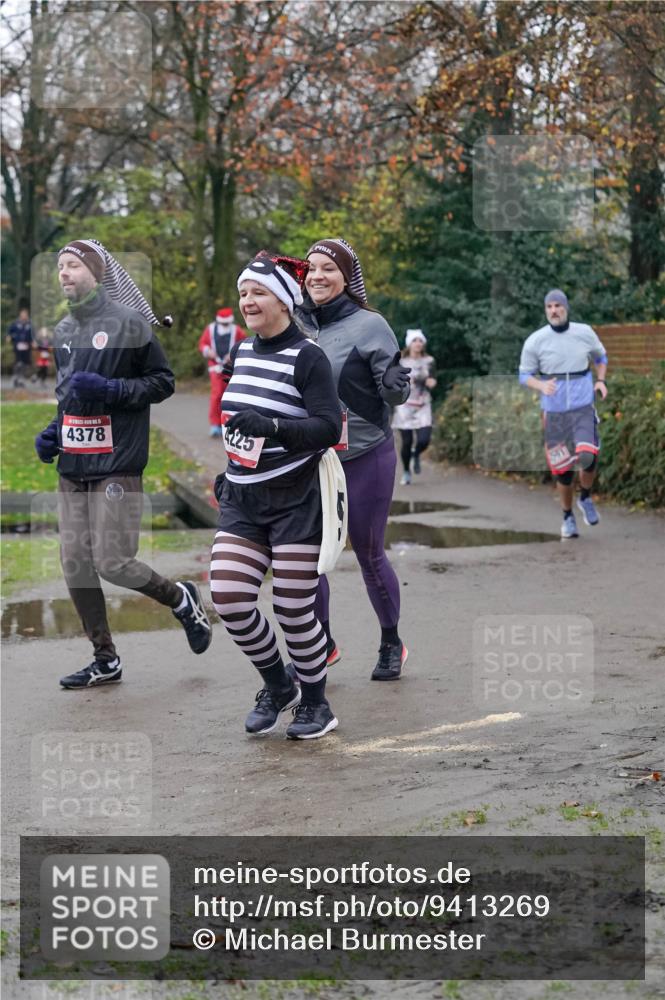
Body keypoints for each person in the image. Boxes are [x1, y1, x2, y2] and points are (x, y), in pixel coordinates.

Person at [34, 238, 212, 689]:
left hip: (118, 461)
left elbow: (162, 382)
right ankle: (105, 658)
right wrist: (56, 431)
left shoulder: (130, 323)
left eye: (73, 265)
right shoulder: (64, 330)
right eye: (60, 267)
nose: (64, 274)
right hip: (73, 465)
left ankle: (182, 599)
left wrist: (112, 392)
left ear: (95, 271)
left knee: (113, 561)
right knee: (75, 563)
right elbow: (68, 394)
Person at [210, 251, 342, 740]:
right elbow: (237, 422)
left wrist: (273, 426)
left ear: (284, 302)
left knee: (292, 608)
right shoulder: (242, 351)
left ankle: (316, 703)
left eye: (258, 292)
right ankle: (278, 683)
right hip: (242, 498)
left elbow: (328, 427)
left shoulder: (309, 356)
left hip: (295, 500)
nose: (248, 301)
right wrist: (229, 468)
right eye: (243, 293)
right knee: (228, 597)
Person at [302, 238, 411, 681]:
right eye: (310, 269)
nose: (317, 276)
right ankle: (321, 645)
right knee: (309, 557)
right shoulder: (295, 324)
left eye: (328, 268)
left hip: (366, 453)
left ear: (347, 277)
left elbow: (397, 389)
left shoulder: (371, 325)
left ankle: (391, 642)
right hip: (313, 457)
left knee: (367, 552)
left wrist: (394, 383)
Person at [519, 288, 608, 538]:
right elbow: (524, 375)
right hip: (554, 412)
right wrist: (541, 385)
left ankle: (586, 497)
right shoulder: (536, 340)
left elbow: (601, 357)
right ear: (545, 310)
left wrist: (600, 380)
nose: (554, 310)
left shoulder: (584, 332)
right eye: (549, 307)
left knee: (589, 456)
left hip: (582, 408)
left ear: (566, 308)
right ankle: (568, 516)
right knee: (563, 471)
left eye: (558, 306)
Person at [391, 329, 437, 485]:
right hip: (405, 405)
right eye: (415, 340)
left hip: (423, 403)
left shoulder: (429, 360)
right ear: (409, 344)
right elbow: (393, 381)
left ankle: (416, 454)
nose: (418, 343)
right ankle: (406, 471)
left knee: (424, 439)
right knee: (407, 442)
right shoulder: (401, 361)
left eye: (420, 340)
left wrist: (432, 382)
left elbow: (433, 379)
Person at [199, 307, 246, 437]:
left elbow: (244, 343)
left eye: (226, 323)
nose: (225, 325)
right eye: (223, 323)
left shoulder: (236, 330)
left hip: (231, 368)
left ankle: (228, 424)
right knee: (217, 394)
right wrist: (208, 351)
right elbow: (202, 344)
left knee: (230, 396)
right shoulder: (210, 329)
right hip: (215, 367)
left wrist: (233, 354)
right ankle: (214, 424)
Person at [7, 306, 33, 386]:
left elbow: (33, 334)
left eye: (26, 314)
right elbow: (10, 331)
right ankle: (16, 377)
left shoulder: (29, 324)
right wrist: (8, 336)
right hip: (17, 345)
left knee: (25, 363)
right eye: (23, 314)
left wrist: (33, 341)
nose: (24, 315)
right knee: (18, 362)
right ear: (20, 314)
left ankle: (21, 379)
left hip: (26, 345)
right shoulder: (15, 323)